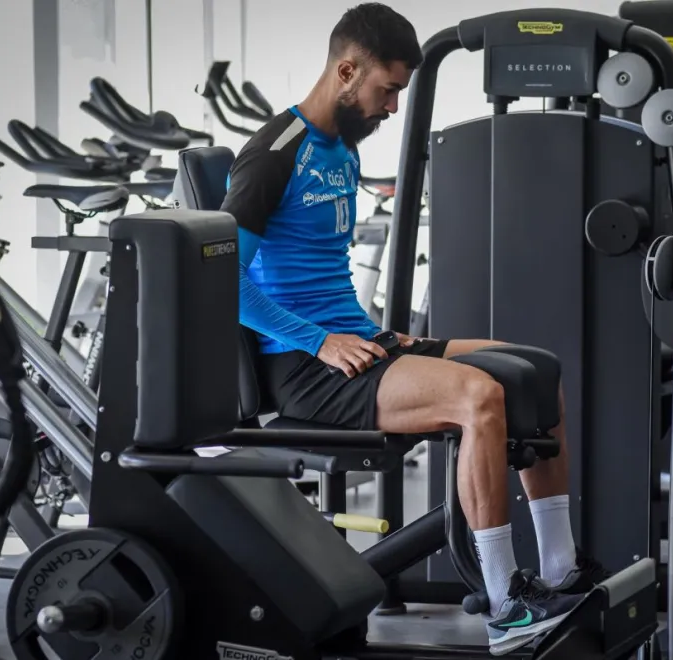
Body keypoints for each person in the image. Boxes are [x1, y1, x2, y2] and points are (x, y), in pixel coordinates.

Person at [220, 3, 607, 654]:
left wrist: (372, 333)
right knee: (479, 398)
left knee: (537, 371)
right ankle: (506, 608)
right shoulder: (272, 156)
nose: (393, 108)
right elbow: (222, 280)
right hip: (306, 367)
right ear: (347, 71)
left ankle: (562, 569)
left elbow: (324, 276)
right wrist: (320, 339)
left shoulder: (339, 149)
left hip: (356, 343)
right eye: (387, 90)